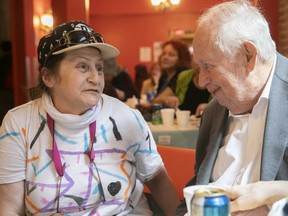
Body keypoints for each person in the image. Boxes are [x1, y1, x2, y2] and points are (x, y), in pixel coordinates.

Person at [0, 20, 180, 215]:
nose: (95, 78)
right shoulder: (19, 124)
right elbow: (10, 206)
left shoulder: (127, 117)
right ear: (48, 76)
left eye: (99, 68)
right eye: (83, 67)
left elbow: (157, 179)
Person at [175, 0, 288, 215]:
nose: (201, 81)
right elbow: (195, 190)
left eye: (207, 66)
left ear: (248, 56)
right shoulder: (213, 112)